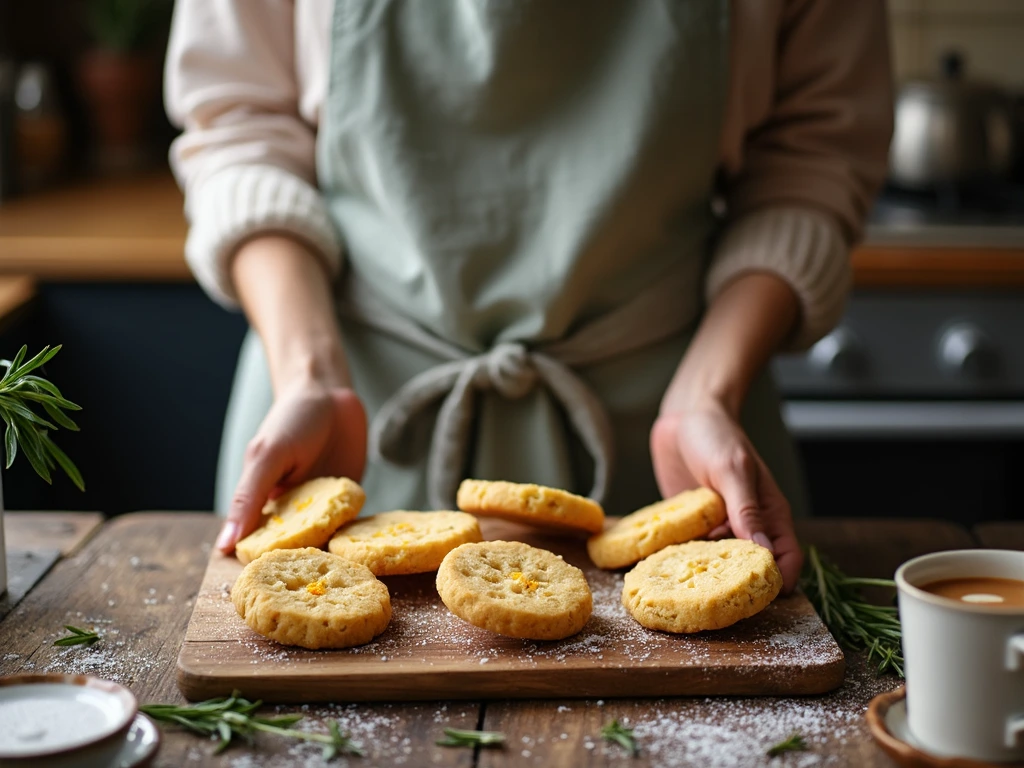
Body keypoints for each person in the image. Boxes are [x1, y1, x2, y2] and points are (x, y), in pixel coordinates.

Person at [165, 0, 892, 594]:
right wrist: (311, 374)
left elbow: (812, 159)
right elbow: (240, 130)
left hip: (675, 421)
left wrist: (707, 393)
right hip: (345, 405)